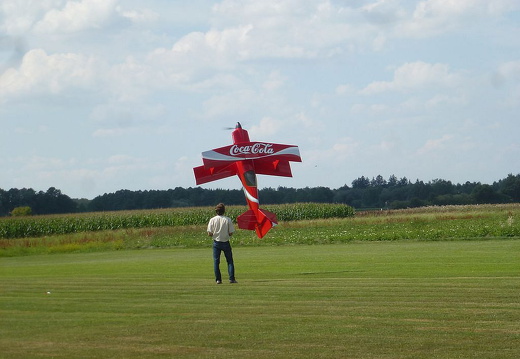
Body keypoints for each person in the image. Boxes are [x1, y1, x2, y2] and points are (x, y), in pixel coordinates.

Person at [207, 203, 237, 284]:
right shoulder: (228, 220)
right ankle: (231, 278)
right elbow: (231, 233)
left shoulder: (212, 220)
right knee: (230, 261)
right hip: (225, 242)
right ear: (224, 211)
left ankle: (218, 279)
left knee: (216, 262)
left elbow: (210, 233)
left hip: (216, 242)